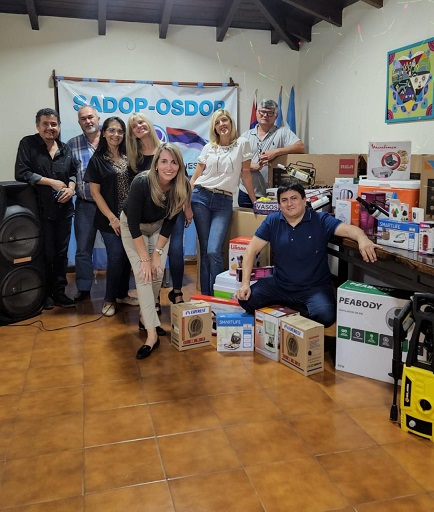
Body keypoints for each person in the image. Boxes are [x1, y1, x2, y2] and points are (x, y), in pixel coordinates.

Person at [235, 180, 379, 327]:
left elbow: (349, 230)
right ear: (279, 205)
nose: (289, 203)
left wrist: (362, 239)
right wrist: (245, 284)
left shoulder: (320, 220)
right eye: (284, 200)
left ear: (304, 200)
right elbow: (250, 251)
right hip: (280, 285)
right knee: (245, 299)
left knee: (326, 317)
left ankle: (292, 318)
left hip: (313, 288)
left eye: (294, 198)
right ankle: (291, 314)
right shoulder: (272, 221)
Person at [120, 143, 191, 359]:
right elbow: (132, 223)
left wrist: (156, 255)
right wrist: (145, 259)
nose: (169, 167)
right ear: (156, 164)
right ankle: (152, 335)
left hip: (158, 228)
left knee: (157, 273)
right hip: (133, 228)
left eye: (174, 162)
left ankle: (145, 318)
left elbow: (169, 222)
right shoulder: (142, 182)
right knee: (144, 275)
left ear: (179, 165)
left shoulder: (182, 187)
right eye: (164, 161)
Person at [126, 113, 193, 311]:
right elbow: (134, 190)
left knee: (176, 249)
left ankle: (177, 291)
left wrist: (187, 207)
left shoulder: (167, 149)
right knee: (151, 254)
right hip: (150, 216)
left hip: (172, 210)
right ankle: (154, 299)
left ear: (149, 124)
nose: (139, 126)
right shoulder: (134, 158)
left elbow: (183, 181)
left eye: (141, 122)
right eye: (134, 125)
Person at [15, 107, 78, 309]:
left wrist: (71, 189)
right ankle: (44, 294)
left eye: (54, 124)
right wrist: (50, 181)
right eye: (46, 124)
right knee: (44, 253)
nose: (50, 128)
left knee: (61, 253)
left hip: (64, 211)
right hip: (38, 211)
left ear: (58, 126)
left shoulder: (66, 149)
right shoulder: (28, 144)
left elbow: (74, 173)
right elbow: (21, 172)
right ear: (38, 126)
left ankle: (59, 292)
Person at [190, 109, 256, 296]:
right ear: (215, 128)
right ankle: (206, 297)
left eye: (224, 120)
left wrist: (254, 201)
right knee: (204, 251)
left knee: (213, 251)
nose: (221, 124)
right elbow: (195, 178)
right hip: (201, 197)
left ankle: (219, 297)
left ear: (231, 123)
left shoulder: (242, 144)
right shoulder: (209, 147)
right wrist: (186, 204)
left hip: (223, 200)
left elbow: (246, 174)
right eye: (217, 122)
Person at [84, 116, 138, 317]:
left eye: (120, 131)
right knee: (115, 257)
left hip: (129, 218)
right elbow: (95, 193)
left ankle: (122, 294)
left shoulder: (129, 156)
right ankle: (108, 299)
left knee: (125, 258)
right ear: (104, 132)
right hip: (109, 220)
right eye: (112, 130)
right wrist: (112, 218)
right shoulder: (97, 160)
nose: (116, 135)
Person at [238, 98, 305, 208]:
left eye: (270, 113)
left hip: (274, 194)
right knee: (248, 224)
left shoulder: (283, 132)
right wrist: (252, 166)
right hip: (247, 193)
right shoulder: (245, 136)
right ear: (257, 113)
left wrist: (276, 151)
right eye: (262, 112)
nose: (265, 115)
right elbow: (235, 162)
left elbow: (301, 147)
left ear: (276, 116)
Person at [67, 105, 100, 302]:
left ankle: (117, 290)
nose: (88, 121)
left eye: (90, 117)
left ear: (98, 118)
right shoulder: (72, 145)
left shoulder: (112, 139)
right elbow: (69, 172)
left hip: (111, 206)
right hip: (85, 205)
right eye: (83, 119)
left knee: (118, 249)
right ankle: (84, 288)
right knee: (83, 249)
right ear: (79, 122)